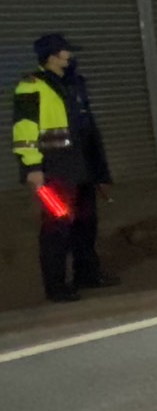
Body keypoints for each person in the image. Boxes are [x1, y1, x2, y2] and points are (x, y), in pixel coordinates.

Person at [12, 33, 117, 303]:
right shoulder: (31, 86)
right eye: (65, 52)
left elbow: (88, 129)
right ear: (51, 56)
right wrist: (32, 166)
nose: (70, 56)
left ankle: (87, 275)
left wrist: (99, 170)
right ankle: (56, 286)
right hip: (52, 171)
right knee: (56, 228)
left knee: (86, 223)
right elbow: (24, 129)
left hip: (80, 168)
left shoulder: (75, 85)